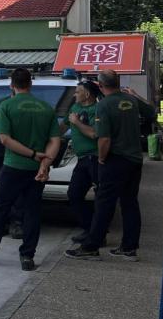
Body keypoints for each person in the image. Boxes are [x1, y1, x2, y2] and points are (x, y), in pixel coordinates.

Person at [0, 68, 60, 271]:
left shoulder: (7, 106)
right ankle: (27, 257)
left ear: (12, 85)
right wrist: (44, 163)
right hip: (37, 170)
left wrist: (33, 155)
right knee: (32, 212)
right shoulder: (46, 108)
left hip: (13, 167)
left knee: (0, 209)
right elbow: (55, 140)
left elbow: (5, 139)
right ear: (31, 84)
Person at [66, 71, 156, 261]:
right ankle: (129, 248)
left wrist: (101, 158)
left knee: (103, 204)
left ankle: (91, 247)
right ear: (118, 83)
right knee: (130, 203)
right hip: (134, 160)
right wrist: (136, 95)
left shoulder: (104, 105)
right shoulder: (130, 100)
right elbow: (151, 113)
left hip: (114, 160)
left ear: (100, 86)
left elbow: (104, 138)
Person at [66, 80, 102, 243]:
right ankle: (90, 229)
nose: (75, 94)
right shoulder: (75, 108)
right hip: (82, 159)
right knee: (74, 194)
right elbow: (63, 126)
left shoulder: (98, 110)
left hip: (94, 157)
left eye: (77, 91)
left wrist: (76, 122)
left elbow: (94, 134)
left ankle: (98, 234)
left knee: (101, 197)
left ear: (87, 95)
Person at [0, 90, 23, 240]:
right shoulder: (2, 103)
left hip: (20, 148)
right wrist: (9, 122)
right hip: (1, 148)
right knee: (1, 187)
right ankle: (1, 224)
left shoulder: (27, 105)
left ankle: (17, 223)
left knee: (18, 189)